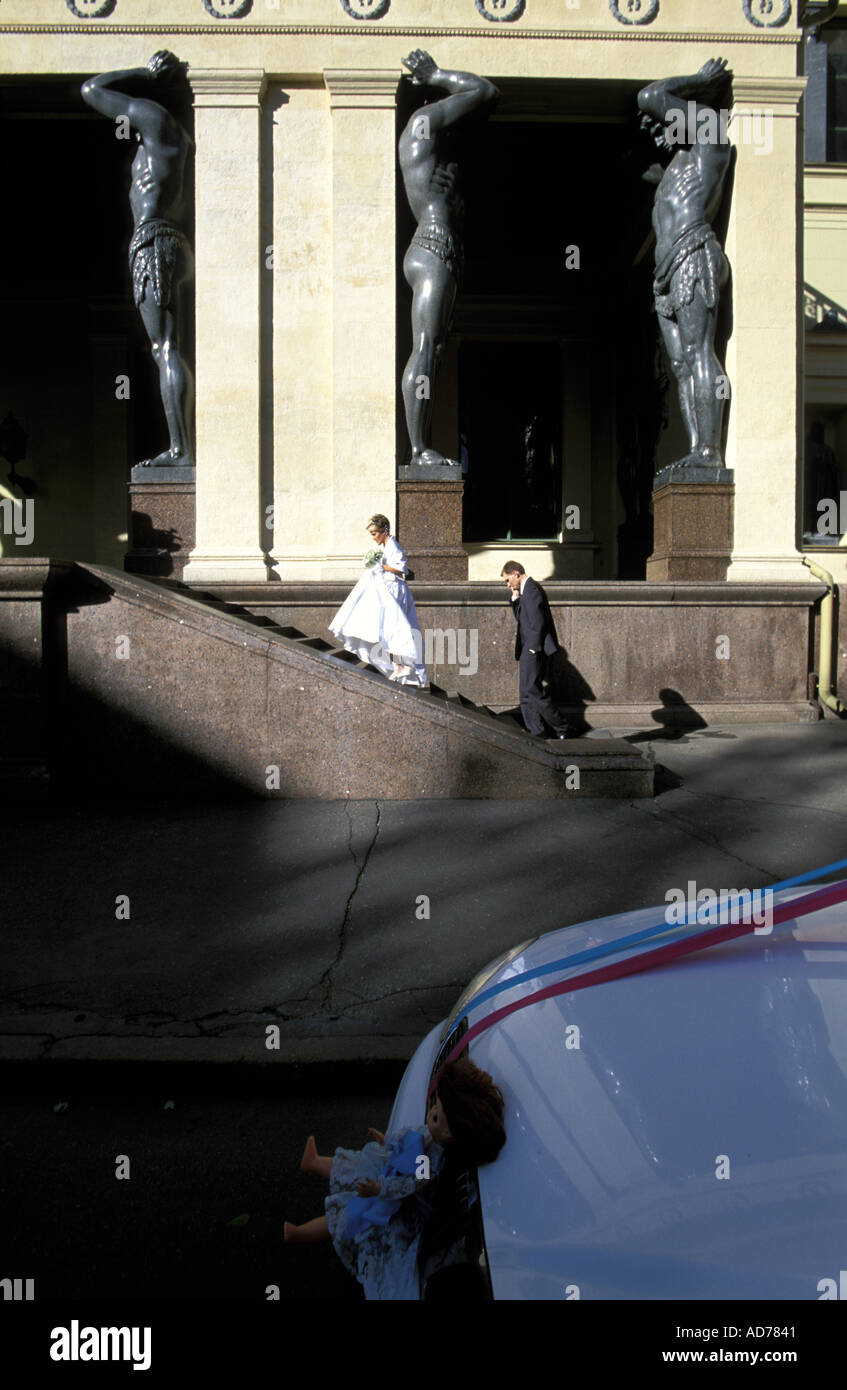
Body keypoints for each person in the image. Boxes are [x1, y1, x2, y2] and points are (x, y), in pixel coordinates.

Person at [284, 1057, 506, 1302]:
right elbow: (410, 1136)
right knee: (354, 1166)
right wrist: (387, 1141)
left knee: (348, 1215)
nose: (432, 1113)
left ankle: (297, 1233)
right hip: (392, 1166)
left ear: (451, 1134)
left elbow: (411, 1184)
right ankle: (314, 1162)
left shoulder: (429, 1162)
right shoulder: (432, 1137)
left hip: (397, 1202)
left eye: (436, 1117)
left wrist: (379, 1188)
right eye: (435, 1107)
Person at [81, 50, 194, 471]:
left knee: (165, 348)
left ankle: (181, 450)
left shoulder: (153, 118)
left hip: (152, 241)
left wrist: (140, 74)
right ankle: (182, 447)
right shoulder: (183, 140)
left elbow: (91, 89)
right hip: (176, 244)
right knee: (171, 347)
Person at [399, 50, 498, 468]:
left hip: (443, 247)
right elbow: (484, 90)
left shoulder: (437, 152)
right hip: (433, 244)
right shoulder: (421, 128)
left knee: (434, 349)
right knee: (425, 347)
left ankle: (421, 446)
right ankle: (418, 449)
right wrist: (437, 75)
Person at [637, 57, 733, 476]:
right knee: (679, 365)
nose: (658, 126)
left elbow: (651, 95)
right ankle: (698, 447)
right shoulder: (671, 170)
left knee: (698, 354)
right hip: (666, 275)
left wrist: (699, 82)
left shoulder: (709, 145)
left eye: (665, 122)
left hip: (694, 255)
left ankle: (710, 452)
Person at [329, 514, 428, 686]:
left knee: (393, 627)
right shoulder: (382, 546)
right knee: (385, 629)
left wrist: (380, 566)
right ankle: (397, 664)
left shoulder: (393, 545)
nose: (373, 538)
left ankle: (405, 663)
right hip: (386, 589)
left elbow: (400, 568)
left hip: (394, 590)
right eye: (372, 534)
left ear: (384, 531)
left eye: (375, 533)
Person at [501, 560, 570, 738]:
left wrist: (533, 649)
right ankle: (536, 731)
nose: (508, 584)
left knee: (533, 691)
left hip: (533, 649)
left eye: (508, 580)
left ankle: (562, 727)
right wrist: (515, 599)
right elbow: (523, 619)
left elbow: (538, 622)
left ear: (516, 573)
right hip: (528, 648)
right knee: (526, 693)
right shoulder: (524, 591)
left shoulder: (531, 589)